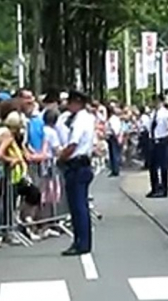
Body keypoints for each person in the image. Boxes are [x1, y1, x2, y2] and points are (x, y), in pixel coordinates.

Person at [57, 90, 95, 255]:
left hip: (77, 164)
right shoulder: (85, 118)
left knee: (78, 206)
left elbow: (73, 144)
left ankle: (82, 242)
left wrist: (61, 157)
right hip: (82, 164)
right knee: (79, 205)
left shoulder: (80, 120)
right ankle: (81, 240)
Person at [144, 94, 168, 198]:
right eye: (154, 101)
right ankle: (155, 188)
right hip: (153, 141)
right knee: (152, 166)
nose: (155, 103)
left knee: (163, 167)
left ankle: (164, 189)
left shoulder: (167, 114)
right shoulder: (152, 114)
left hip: (163, 141)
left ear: (161, 102)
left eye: (157, 101)